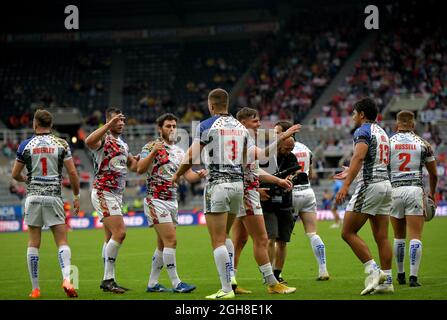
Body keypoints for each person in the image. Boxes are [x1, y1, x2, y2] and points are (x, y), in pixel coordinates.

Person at [173, 88, 248, 299]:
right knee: (225, 235)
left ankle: (225, 289)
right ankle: (231, 278)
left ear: (211, 105)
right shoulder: (241, 127)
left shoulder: (206, 125)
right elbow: (244, 159)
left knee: (217, 240)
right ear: (227, 104)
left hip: (217, 185)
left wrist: (177, 175)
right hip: (238, 186)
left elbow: (191, 155)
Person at [12, 109, 80, 299]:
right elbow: (73, 174)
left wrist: (27, 179)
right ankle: (67, 279)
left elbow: (15, 174)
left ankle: (35, 289)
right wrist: (76, 196)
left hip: (33, 197)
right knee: (62, 241)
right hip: (54, 197)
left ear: (35, 124)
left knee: (33, 243)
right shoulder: (62, 144)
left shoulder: (25, 145)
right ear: (51, 125)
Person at [230, 107, 298, 294]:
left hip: (242, 190)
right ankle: (271, 283)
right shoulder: (243, 137)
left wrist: (277, 181)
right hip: (246, 194)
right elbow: (262, 156)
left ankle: (231, 283)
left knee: (239, 241)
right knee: (260, 238)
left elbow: (252, 169)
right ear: (244, 122)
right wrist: (283, 137)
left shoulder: (241, 137)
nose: (259, 124)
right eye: (255, 121)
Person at [137, 113, 202, 293]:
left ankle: (152, 283)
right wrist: (153, 152)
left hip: (172, 201)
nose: (172, 129)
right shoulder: (150, 146)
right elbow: (140, 169)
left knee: (162, 244)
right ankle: (176, 283)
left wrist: (200, 175)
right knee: (171, 240)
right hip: (155, 199)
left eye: (174, 126)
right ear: (160, 129)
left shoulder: (180, 151)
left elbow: (188, 176)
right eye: (168, 126)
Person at [334, 97, 393, 295]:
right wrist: (351, 171)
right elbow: (373, 160)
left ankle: (374, 271)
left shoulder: (363, 131)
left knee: (347, 232)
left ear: (362, 114)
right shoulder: (383, 132)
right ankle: (387, 281)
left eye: (354, 113)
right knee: (382, 236)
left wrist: (346, 184)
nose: (352, 117)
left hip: (370, 185)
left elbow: (359, 157)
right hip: (385, 184)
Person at [85, 107, 139, 294]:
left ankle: (110, 280)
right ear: (108, 121)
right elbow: (88, 141)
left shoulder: (123, 144)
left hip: (116, 195)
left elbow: (135, 166)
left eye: (123, 119)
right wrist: (107, 125)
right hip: (103, 192)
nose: (122, 123)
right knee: (120, 233)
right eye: (117, 120)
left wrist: (149, 156)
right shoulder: (104, 140)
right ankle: (107, 280)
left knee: (109, 238)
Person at [388, 110, 438, 288]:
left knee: (398, 237)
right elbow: (433, 173)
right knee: (415, 236)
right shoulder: (423, 144)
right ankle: (413, 278)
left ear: (397, 124)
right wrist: (432, 193)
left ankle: (400, 275)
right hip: (415, 190)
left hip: (394, 190)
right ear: (413, 124)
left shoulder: (388, 142)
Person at [276, 121, 330, 281]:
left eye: (279, 131)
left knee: (279, 238)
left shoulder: (279, 149)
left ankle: (276, 274)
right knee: (312, 233)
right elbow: (311, 174)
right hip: (307, 192)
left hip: (289, 193)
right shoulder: (307, 149)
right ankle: (323, 270)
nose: (276, 134)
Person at [260, 129, 300, 284]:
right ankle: (268, 275)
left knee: (283, 241)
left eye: (291, 148)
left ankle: (277, 274)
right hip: (267, 202)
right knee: (270, 238)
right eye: (286, 148)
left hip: (285, 203)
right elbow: (258, 175)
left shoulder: (291, 157)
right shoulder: (266, 158)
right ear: (279, 144)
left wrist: (292, 178)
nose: (288, 151)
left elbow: (297, 173)